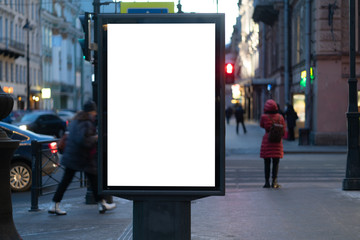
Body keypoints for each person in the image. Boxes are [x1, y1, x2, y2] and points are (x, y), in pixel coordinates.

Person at [48, 100, 116, 215]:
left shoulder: (75, 121)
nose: (95, 114)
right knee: (92, 179)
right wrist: (96, 138)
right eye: (94, 111)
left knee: (69, 181)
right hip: (81, 157)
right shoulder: (87, 123)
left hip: (73, 156)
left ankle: (54, 205)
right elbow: (83, 141)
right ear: (91, 112)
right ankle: (101, 203)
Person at [260, 99, 286, 188]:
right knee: (276, 163)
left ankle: (266, 182)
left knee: (267, 163)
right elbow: (283, 129)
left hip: (267, 140)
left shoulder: (264, 117)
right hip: (277, 141)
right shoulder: (280, 117)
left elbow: (262, 125)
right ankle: (274, 182)